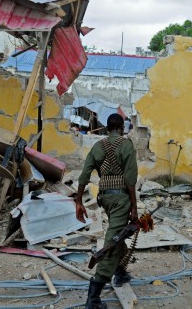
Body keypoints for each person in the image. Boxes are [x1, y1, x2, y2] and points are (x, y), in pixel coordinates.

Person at [75, 113, 138, 309]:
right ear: (121, 127)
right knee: (113, 241)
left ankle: (119, 271)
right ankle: (93, 299)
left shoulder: (98, 146)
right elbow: (130, 180)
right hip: (121, 199)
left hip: (105, 198)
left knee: (117, 234)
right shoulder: (126, 145)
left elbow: (84, 175)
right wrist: (134, 206)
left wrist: (78, 201)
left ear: (107, 128)